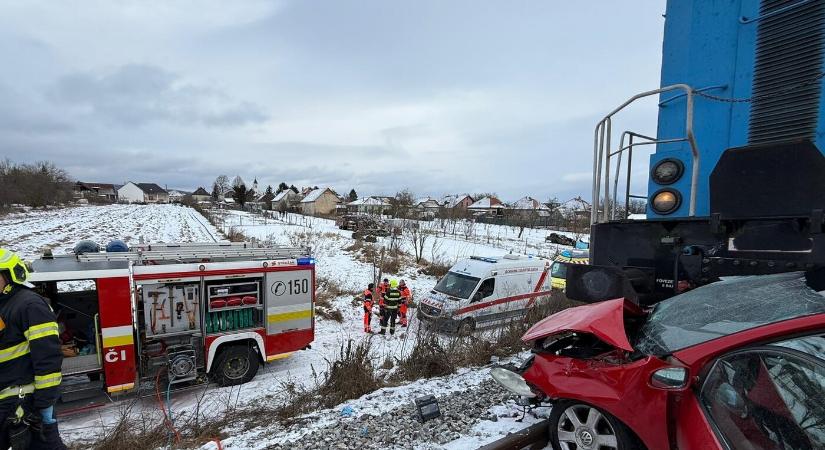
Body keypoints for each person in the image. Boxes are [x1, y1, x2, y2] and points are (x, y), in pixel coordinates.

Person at [0, 249, 67, 450]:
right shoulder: (5, 306)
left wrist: (44, 404)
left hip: (24, 403)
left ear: (9, 274)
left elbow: (48, 358)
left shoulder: (28, 305)